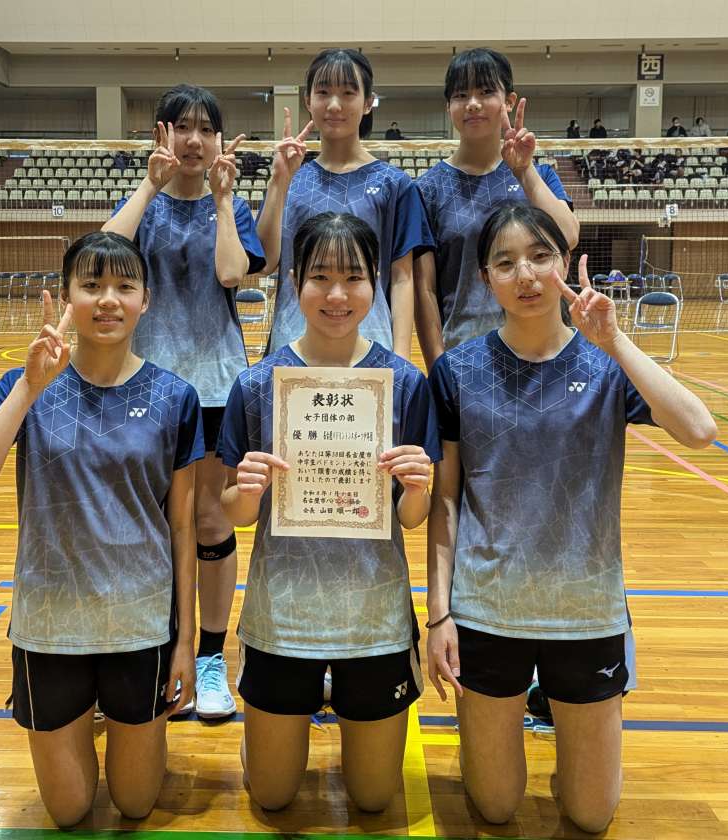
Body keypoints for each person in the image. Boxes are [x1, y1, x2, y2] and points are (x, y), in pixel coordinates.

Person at [426, 202, 717, 833]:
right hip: (487, 608)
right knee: (495, 807)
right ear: (485, 278)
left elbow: (699, 429)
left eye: (540, 257)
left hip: (586, 611)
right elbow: (445, 502)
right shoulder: (456, 371)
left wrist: (614, 340)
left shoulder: (605, 363)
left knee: (591, 815)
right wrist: (439, 614)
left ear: (565, 262)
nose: (526, 275)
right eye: (506, 262)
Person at [0, 232, 205, 827]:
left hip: (140, 622)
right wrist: (29, 387)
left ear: (146, 299)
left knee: (136, 803)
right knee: (67, 811)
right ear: (67, 297)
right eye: (91, 285)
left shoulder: (176, 397)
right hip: (50, 624)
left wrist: (187, 642)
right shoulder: (25, 384)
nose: (108, 299)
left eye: (124, 286)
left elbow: (182, 526)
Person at [219, 212, 441, 811]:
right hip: (282, 612)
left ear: (375, 284)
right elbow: (234, 514)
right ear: (296, 283)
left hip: (373, 615)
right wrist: (246, 490)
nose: (337, 295)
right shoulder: (257, 385)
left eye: (353, 277)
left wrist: (417, 485)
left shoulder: (404, 384)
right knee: (271, 797)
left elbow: (412, 518)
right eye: (320, 277)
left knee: (373, 799)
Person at [103, 84, 266, 719]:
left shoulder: (234, 207)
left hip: (217, 387)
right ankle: (147, 649)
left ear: (219, 140)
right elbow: (103, 256)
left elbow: (232, 273)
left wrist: (222, 201)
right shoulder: (142, 203)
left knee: (210, 522)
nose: (194, 139)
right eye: (181, 126)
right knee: (146, 522)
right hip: (144, 388)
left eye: (205, 128)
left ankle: (210, 659)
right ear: (161, 135)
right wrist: (150, 186)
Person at [256, 48, 434, 361]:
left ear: (368, 102)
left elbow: (402, 277)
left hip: (371, 346)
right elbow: (266, 263)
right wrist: (278, 183)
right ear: (308, 101)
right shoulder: (290, 179)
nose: (334, 105)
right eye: (323, 92)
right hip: (294, 346)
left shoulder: (395, 184)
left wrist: (401, 357)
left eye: (348, 93)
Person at [414, 47, 579, 370]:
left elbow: (569, 236)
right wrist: (438, 370)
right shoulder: (427, 189)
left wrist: (524, 171)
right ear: (448, 106)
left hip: (545, 352)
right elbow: (426, 290)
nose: (473, 103)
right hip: (465, 354)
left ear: (509, 101)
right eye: (461, 95)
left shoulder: (540, 175)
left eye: (486, 91)